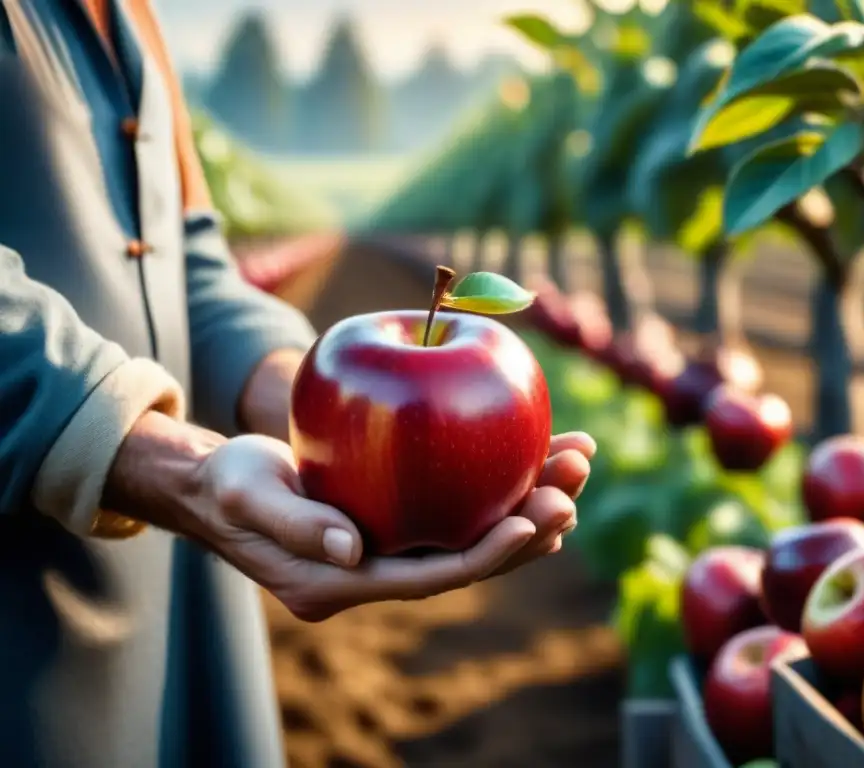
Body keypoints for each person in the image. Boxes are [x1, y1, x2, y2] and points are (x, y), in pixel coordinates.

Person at [0, 1, 595, 766]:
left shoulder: (134, 15)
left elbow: (187, 261)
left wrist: (323, 408)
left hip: (179, 567)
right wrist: (169, 462)